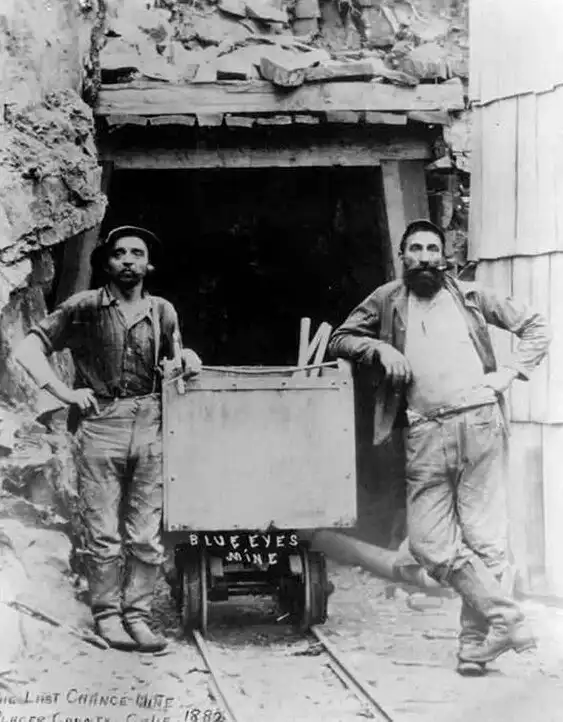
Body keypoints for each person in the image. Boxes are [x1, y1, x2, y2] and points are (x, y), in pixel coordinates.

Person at [328, 219, 550, 676]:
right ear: (402, 256)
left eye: (433, 248)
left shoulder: (471, 296)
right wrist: (379, 350)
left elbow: (536, 326)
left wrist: (509, 374)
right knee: (429, 543)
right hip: (425, 432)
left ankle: (474, 645)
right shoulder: (387, 299)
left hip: (480, 425)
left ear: (444, 256)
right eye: (416, 248)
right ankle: (507, 618)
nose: (425, 257)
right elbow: (341, 338)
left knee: (485, 540)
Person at [15, 226, 201, 653]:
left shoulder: (163, 311)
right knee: (102, 531)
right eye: (119, 253)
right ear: (106, 262)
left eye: (138, 253)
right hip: (101, 425)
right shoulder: (84, 307)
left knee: (146, 533)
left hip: (152, 424)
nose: (129, 260)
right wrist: (63, 393)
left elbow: (175, 361)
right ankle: (107, 616)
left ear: (149, 264)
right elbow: (27, 350)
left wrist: (188, 360)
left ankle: (137, 615)